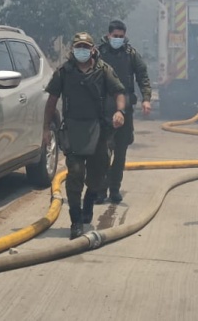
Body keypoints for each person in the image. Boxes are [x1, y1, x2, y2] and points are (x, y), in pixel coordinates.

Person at [44, 32, 127, 239]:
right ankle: (75, 220)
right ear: (73, 49)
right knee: (75, 175)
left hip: (97, 130)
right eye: (78, 46)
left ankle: (89, 201)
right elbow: (52, 101)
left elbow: (119, 93)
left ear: (92, 49)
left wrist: (120, 112)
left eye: (85, 47)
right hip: (73, 130)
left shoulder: (103, 70)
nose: (82, 50)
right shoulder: (64, 72)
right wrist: (45, 129)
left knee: (98, 175)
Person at [96, 20, 152, 205]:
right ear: (108, 35)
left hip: (125, 110)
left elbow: (143, 76)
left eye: (121, 37)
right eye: (115, 36)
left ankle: (114, 189)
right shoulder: (98, 53)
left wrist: (146, 98)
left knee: (120, 151)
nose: (118, 39)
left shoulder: (131, 54)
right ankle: (100, 190)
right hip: (103, 110)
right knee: (102, 152)